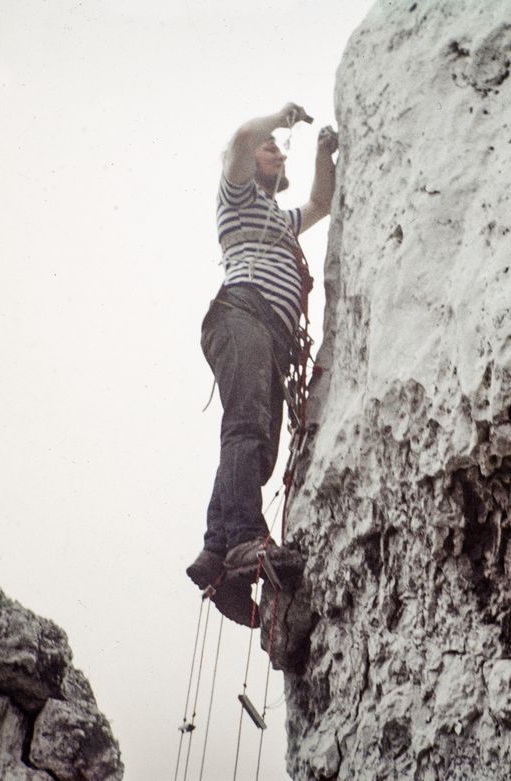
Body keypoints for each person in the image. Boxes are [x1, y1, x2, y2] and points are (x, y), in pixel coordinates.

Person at [186, 102, 338, 626]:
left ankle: (217, 559)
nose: (275, 150)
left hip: (265, 334)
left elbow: (321, 201)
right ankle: (245, 541)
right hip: (242, 315)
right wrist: (278, 117)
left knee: (259, 447)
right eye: (268, 148)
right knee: (247, 428)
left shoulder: (276, 218)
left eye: (278, 146)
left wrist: (322, 151)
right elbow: (238, 139)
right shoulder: (238, 197)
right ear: (251, 163)